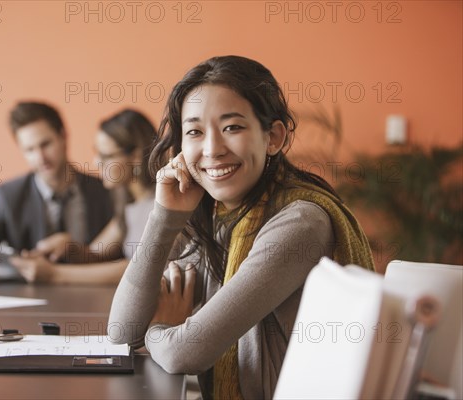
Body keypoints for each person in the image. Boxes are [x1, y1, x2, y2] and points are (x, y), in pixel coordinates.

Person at [108, 56, 375, 399]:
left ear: (274, 137)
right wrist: (164, 215)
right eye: (194, 132)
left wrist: (162, 328)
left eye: (232, 127)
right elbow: (120, 332)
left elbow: (184, 351)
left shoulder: (300, 223)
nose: (212, 149)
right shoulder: (214, 219)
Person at [9, 109, 158, 284]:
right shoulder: (129, 203)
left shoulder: (161, 205)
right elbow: (95, 253)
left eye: (106, 156)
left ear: (135, 156)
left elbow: (139, 268)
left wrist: (54, 274)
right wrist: (69, 248)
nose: (96, 162)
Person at [0, 101, 114, 263]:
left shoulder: (105, 191)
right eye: (30, 150)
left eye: (46, 144)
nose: (40, 158)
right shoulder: (7, 195)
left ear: (63, 136)